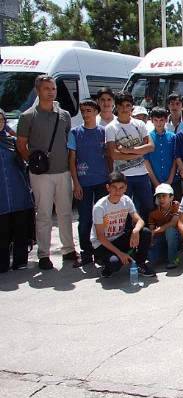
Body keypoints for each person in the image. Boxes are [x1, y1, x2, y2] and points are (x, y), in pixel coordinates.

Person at [16, 75, 80, 269]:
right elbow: (21, 144)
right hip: (41, 175)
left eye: (53, 88)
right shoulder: (27, 116)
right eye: (46, 88)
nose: (51, 91)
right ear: (38, 91)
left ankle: (68, 249)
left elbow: (68, 143)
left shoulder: (64, 115)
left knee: (65, 213)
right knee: (43, 214)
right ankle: (44, 254)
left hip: (63, 172)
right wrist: (35, 163)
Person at [68, 99, 110, 266]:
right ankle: (86, 253)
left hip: (101, 181)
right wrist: (75, 183)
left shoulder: (103, 132)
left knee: (101, 218)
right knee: (84, 219)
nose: (86, 114)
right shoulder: (75, 132)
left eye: (89, 111)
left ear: (96, 112)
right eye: (83, 111)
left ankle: (100, 251)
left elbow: (108, 156)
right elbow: (71, 160)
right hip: (83, 182)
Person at [91, 171, 154, 278]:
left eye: (121, 187)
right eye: (114, 187)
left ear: (125, 188)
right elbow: (100, 237)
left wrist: (135, 231)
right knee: (115, 264)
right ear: (108, 187)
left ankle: (140, 263)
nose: (118, 191)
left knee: (145, 232)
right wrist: (120, 253)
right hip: (102, 244)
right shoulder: (100, 207)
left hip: (119, 238)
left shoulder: (126, 200)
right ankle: (106, 264)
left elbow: (140, 221)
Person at [105, 91, 155, 218]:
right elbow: (114, 155)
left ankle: (148, 235)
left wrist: (128, 150)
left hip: (142, 174)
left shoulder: (140, 124)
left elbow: (150, 146)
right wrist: (138, 153)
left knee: (148, 207)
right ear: (116, 107)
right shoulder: (111, 127)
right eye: (121, 105)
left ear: (131, 107)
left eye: (127, 105)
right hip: (123, 176)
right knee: (125, 210)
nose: (124, 109)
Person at [0, 108, 34, 273]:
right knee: (2, 231)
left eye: (1, 120)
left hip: (18, 190)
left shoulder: (11, 141)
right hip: (1, 195)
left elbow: (23, 163)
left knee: (20, 227)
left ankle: (20, 261)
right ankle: (2, 264)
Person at [144, 107, 177, 196]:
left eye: (161, 120)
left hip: (170, 179)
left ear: (166, 120)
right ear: (151, 120)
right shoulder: (148, 138)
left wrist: (170, 180)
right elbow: (146, 161)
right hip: (153, 180)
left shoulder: (173, 137)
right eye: (156, 120)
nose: (159, 123)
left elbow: (175, 159)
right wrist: (156, 183)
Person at [147, 183, 180, 269]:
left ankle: (173, 260)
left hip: (177, 237)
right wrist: (151, 240)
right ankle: (166, 254)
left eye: (164, 196)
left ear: (171, 197)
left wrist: (155, 231)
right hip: (161, 238)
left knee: (170, 231)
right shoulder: (153, 212)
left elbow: (173, 223)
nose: (161, 199)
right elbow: (151, 231)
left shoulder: (176, 205)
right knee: (151, 258)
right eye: (159, 196)